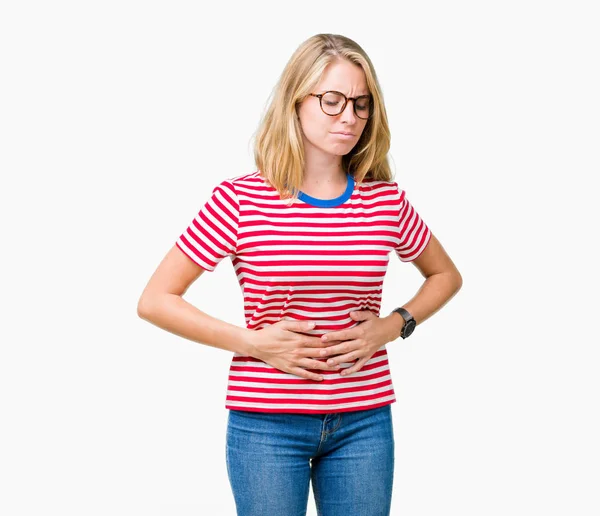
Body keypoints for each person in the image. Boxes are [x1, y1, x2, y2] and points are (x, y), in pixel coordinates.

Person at [137, 33, 462, 516]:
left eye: (361, 104)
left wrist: (391, 326)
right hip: (266, 424)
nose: (348, 117)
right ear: (296, 101)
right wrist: (251, 342)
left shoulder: (385, 201)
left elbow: (445, 276)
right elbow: (156, 299)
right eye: (332, 101)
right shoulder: (240, 201)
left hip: (364, 420)